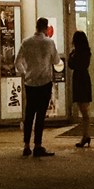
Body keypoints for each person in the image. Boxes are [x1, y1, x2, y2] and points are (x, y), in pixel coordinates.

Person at [15, 17, 63, 158]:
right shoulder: (49, 43)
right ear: (46, 28)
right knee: (40, 115)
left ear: (36, 27)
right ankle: (37, 145)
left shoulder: (26, 42)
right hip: (45, 82)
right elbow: (56, 60)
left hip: (30, 83)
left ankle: (26, 145)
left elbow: (17, 62)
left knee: (29, 114)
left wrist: (25, 73)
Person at [68, 30, 94, 147]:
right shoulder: (86, 52)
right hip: (84, 78)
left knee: (84, 110)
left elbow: (71, 65)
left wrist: (71, 56)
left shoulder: (77, 53)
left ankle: (86, 135)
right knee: (85, 109)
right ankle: (85, 135)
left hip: (79, 79)